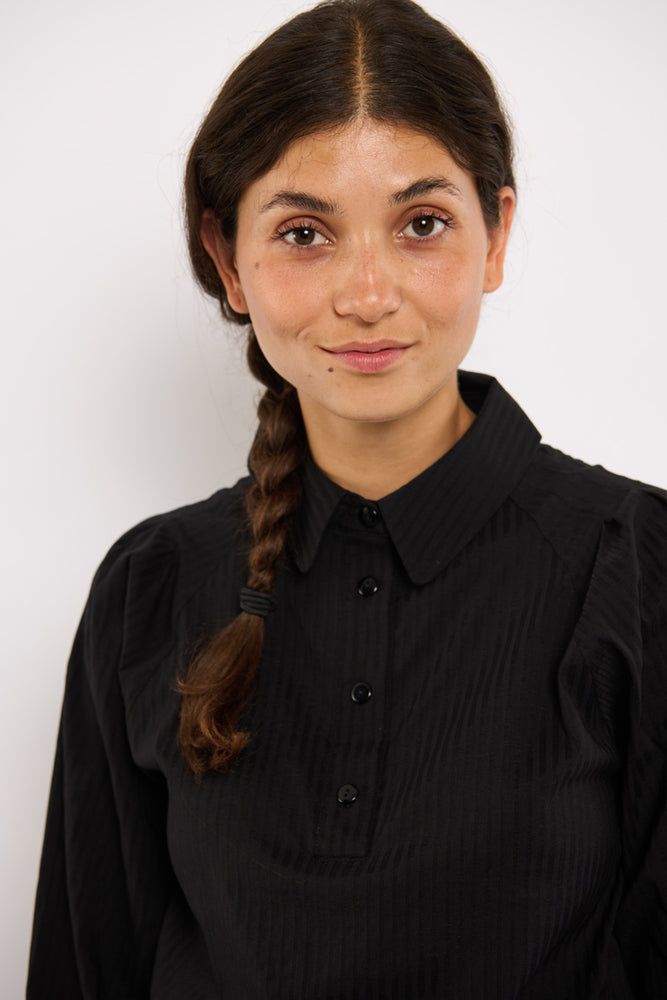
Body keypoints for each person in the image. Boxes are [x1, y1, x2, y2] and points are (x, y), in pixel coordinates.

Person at [27, 0, 666, 997]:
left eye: (421, 224)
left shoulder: (636, 564)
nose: (367, 295)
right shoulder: (148, 588)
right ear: (226, 260)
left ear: (496, 235)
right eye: (304, 233)